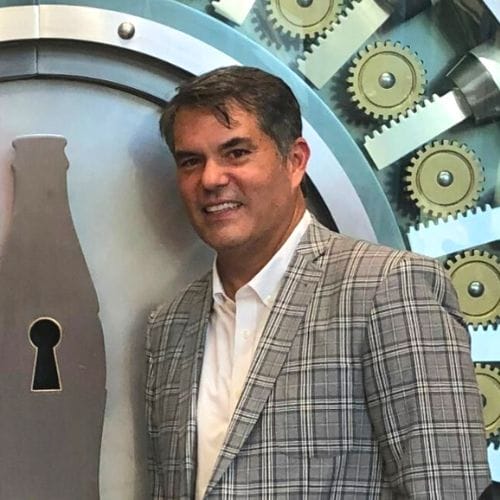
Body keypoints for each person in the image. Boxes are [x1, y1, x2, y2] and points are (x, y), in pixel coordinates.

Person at [145, 65, 490, 499]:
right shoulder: (170, 326)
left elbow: (446, 488)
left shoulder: (388, 289)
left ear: (295, 162)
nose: (211, 179)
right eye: (191, 161)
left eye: (236, 153)